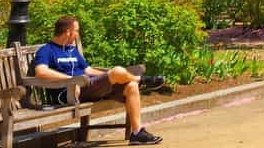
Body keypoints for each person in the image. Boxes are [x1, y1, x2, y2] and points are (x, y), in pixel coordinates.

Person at [31, 14, 166, 144]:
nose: (78, 34)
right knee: (119, 72)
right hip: (72, 92)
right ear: (68, 32)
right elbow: (40, 72)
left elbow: (89, 70)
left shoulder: (71, 50)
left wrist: (110, 74)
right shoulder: (47, 50)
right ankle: (141, 80)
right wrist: (71, 79)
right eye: (76, 31)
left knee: (131, 85)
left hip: (89, 87)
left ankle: (137, 133)